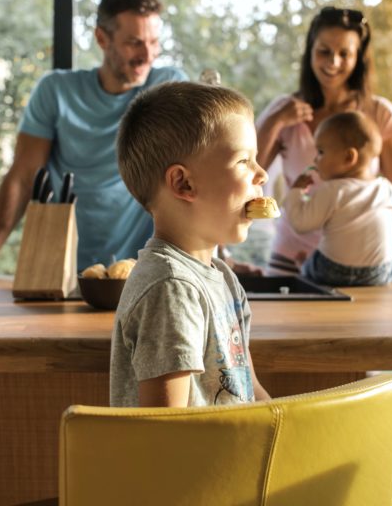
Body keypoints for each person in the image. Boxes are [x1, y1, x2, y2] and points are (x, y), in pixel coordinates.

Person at [0, 0, 187, 282]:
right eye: (134, 42)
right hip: (61, 270)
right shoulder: (56, 91)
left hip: (146, 273)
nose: (147, 53)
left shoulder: (167, 87)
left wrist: (223, 258)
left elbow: (197, 174)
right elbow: (23, 177)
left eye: (154, 42)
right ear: (102, 39)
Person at [110, 81, 271, 407]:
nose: (262, 174)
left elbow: (248, 390)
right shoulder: (170, 288)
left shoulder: (223, 278)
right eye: (244, 161)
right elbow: (168, 435)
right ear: (183, 183)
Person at [256, 6, 392, 274]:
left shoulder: (379, 113)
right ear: (310, 50)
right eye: (324, 51)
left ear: (358, 59)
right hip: (291, 259)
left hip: (358, 264)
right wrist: (273, 122)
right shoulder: (284, 111)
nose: (333, 62)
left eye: (345, 54)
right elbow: (249, 175)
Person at [285, 111, 392, 286]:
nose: (315, 159)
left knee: (311, 267)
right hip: (379, 273)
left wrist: (296, 193)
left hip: (332, 271)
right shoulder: (386, 189)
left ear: (348, 157)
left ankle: (306, 268)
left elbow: (301, 223)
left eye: (321, 152)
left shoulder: (333, 190)